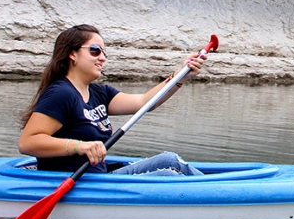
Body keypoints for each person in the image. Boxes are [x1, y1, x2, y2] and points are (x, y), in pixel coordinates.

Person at [18, 24, 205, 176]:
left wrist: (180, 76)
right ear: (72, 54)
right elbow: (27, 143)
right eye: (94, 51)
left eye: (103, 52)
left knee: (170, 160)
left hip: (100, 176)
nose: (102, 58)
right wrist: (79, 146)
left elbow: (145, 102)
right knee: (169, 176)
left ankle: (218, 190)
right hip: (79, 183)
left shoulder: (100, 93)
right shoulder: (61, 93)